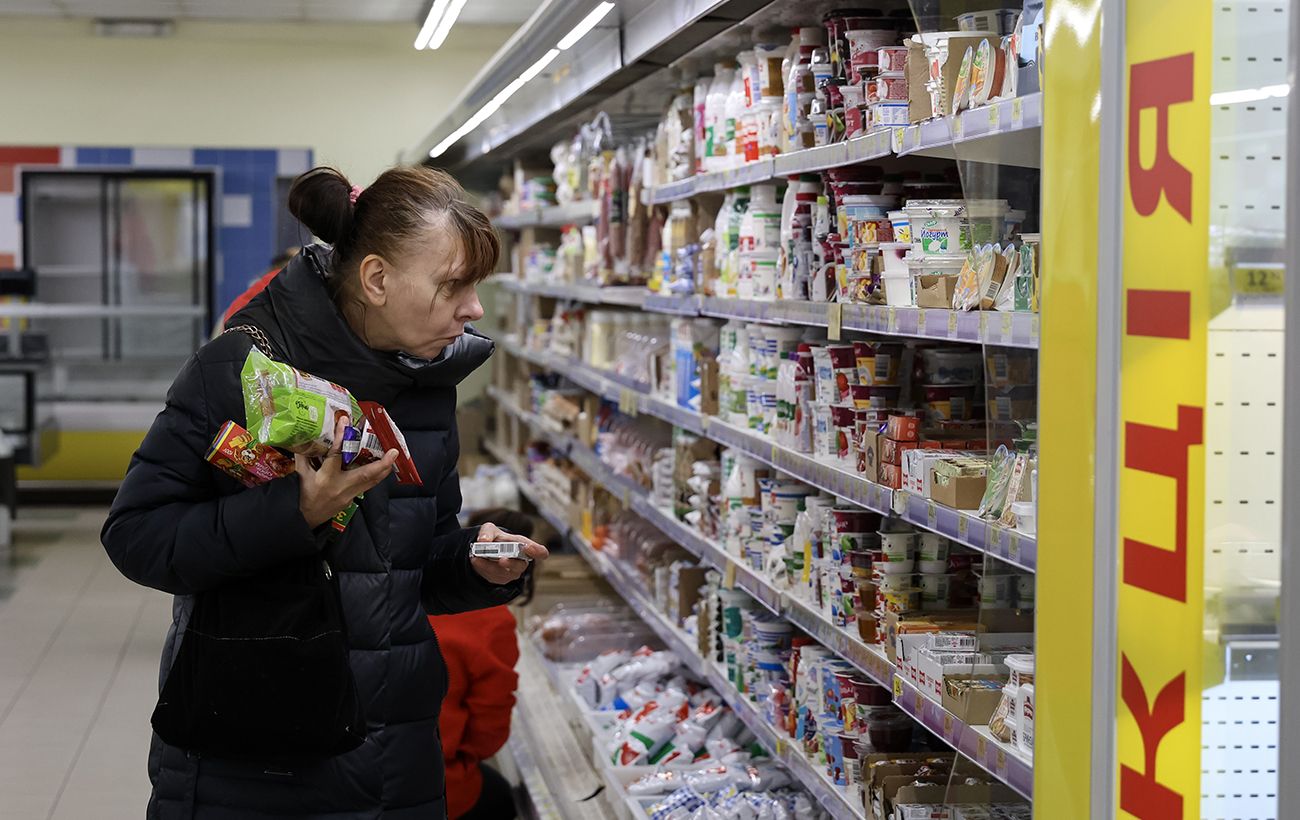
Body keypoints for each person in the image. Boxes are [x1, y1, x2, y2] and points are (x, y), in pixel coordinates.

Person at [101, 165, 547, 819]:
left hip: (394, 753)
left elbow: (410, 567)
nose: (474, 308)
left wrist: (473, 564)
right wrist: (295, 512)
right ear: (376, 279)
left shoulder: (427, 386)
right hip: (257, 761)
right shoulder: (239, 371)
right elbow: (136, 536)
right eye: (454, 284)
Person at [429, 508, 537, 820]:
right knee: (502, 799)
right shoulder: (492, 621)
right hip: (439, 779)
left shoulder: (420, 591)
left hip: (367, 770)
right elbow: (489, 725)